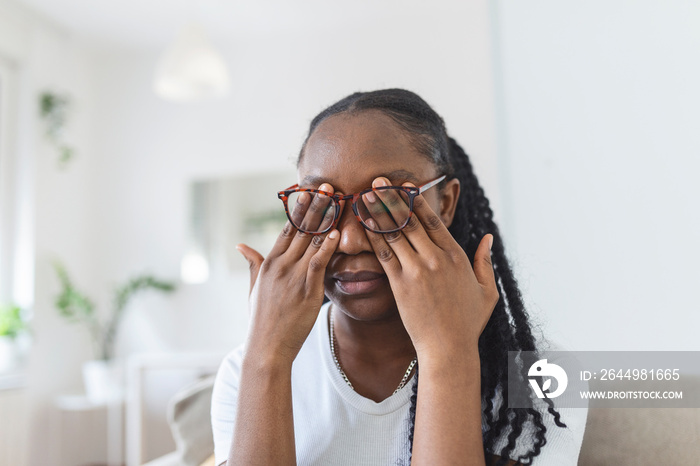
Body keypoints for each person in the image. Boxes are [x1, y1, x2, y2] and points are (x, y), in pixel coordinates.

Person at [211, 89, 588, 465]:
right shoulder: (246, 371)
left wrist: (448, 355)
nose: (349, 239)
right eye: (322, 202)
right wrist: (266, 358)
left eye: (387, 200)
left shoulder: (543, 377)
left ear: (446, 202)